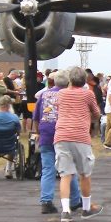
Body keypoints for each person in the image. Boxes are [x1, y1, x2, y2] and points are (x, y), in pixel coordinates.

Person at [53, 67, 104, 222]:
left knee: (65, 174)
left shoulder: (61, 93)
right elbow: (96, 113)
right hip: (80, 136)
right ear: (84, 80)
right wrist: (89, 117)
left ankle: (66, 211)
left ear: (70, 80)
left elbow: (58, 108)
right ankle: (86, 208)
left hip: (61, 135)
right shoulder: (88, 94)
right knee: (85, 173)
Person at [32, 71, 83, 214]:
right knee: (68, 169)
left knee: (48, 169)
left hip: (46, 134)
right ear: (68, 83)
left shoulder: (43, 95)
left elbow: (36, 117)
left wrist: (39, 132)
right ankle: (74, 200)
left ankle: (46, 201)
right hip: (64, 134)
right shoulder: (69, 95)